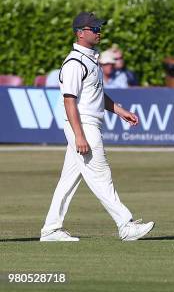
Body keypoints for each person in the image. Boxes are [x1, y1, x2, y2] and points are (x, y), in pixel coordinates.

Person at [40, 12, 154, 242]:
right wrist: (79, 135)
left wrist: (120, 111)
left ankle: (51, 229)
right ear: (80, 33)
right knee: (101, 175)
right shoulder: (74, 63)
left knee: (69, 179)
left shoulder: (91, 60)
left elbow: (96, 95)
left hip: (88, 124)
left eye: (99, 27)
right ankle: (125, 224)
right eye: (94, 28)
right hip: (83, 125)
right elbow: (69, 101)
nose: (99, 31)